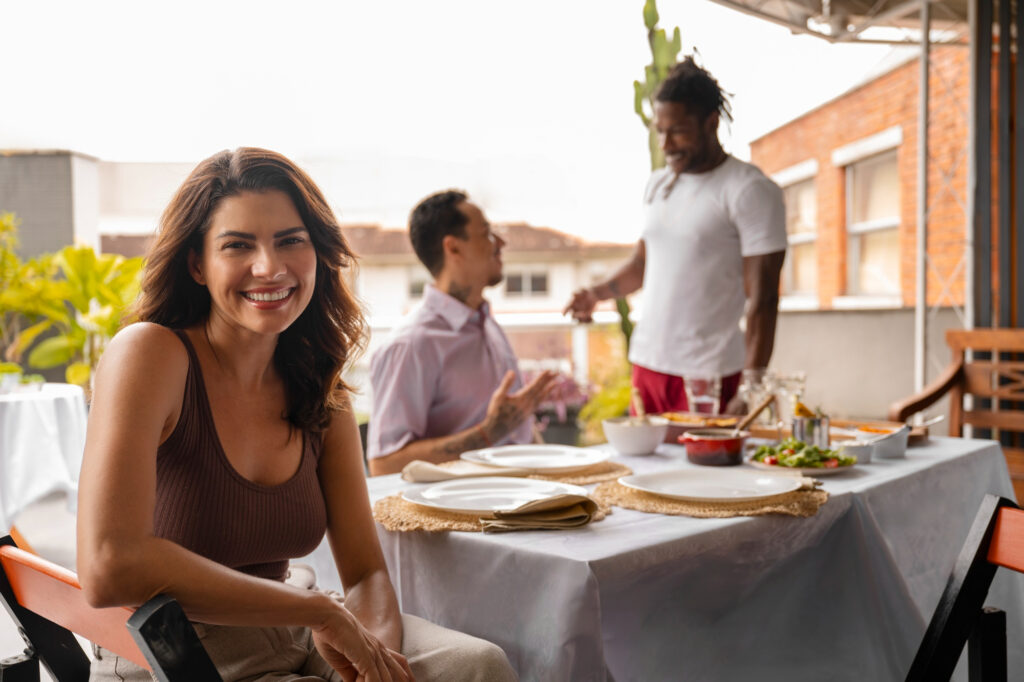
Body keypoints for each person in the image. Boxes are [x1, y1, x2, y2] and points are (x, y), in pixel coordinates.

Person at [77, 148, 518, 682]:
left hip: (295, 630)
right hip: (175, 652)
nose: (270, 266)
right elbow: (108, 566)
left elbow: (365, 572)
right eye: (238, 245)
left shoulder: (320, 388)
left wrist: (371, 655)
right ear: (198, 264)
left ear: (318, 255)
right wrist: (317, 611)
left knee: (477, 667)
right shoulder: (150, 354)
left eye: (291, 240)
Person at [564, 57, 786, 415]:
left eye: (678, 131)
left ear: (711, 122)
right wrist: (597, 294)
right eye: (660, 131)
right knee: (644, 471)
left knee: (705, 472)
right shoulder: (660, 182)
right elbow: (643, 262)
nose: (666, 144)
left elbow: (763, 300)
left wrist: (751, 389)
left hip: (709, 375)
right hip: (648, 365)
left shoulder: (749, 190)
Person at [366, 190, 557, 476]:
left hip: (521, 499)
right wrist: (488, 433)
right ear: (453, 248)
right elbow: (384, 465)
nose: (501, 243)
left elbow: (519, 432)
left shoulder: (488, 326)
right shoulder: (409, 346)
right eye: (487, 233)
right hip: (463, 512)